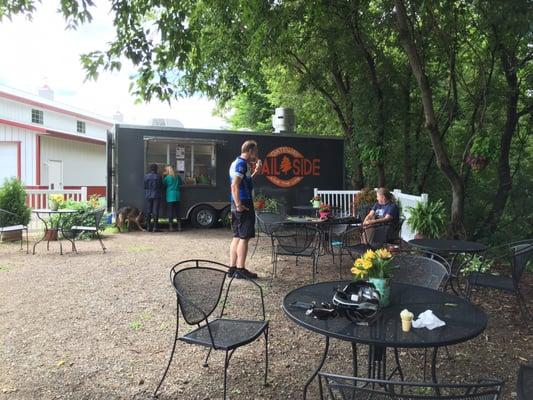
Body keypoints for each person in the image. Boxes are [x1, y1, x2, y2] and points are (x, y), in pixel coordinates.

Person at [228, 140, 262, 279]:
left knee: (237, 236)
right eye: (256, 152)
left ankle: (232, 268)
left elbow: (244, 182)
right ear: (251, 151)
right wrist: (239, 205)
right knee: (244, 237)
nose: (257, 154)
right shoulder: (241, 164)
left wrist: (256, 171)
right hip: (243, 203)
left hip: (238, 202)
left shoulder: (238, 163)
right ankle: (241, 270)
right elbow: (234, 186)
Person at [144, 163, 163, 232]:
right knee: (155, 211)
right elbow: (161, 186)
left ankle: (148, 227)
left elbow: (145, 186)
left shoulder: (146, 176)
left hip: (148, 194)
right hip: (157, 194)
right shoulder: (159, 176)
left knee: (148, 210)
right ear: (156, 169)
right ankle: (155, 227)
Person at [163, 165, 182, 232]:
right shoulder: (178, 176)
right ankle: (179, 227)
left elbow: (163, 184)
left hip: (170, 196)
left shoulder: (167, 177)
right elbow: (181, 183)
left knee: (170, 211)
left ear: (168, 170)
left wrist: (163, 176)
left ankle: (171, 227)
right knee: (178, 212)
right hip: (177, 195)